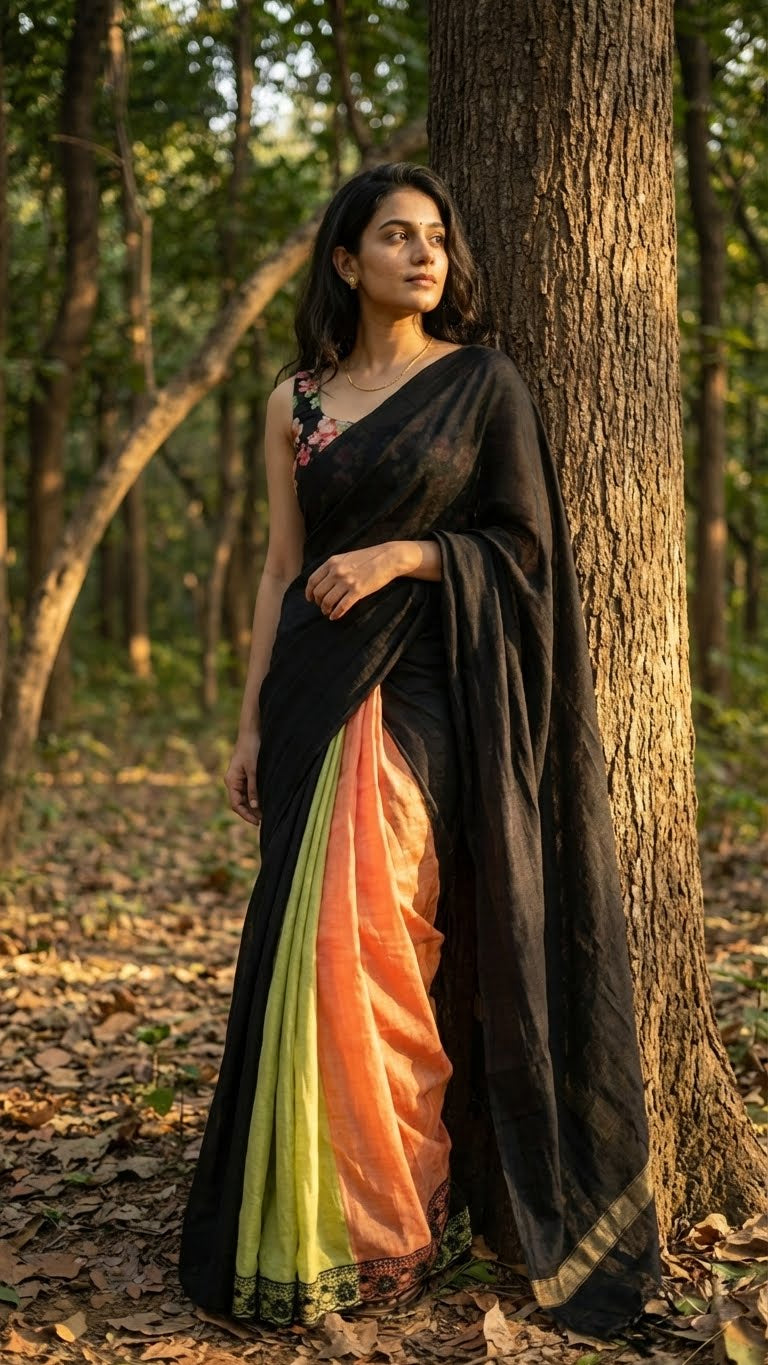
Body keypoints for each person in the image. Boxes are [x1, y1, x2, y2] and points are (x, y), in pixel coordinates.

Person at [178, 161, 662, 1339]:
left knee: (377, 940)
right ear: (345, 262)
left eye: (436, 236)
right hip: (309, 698)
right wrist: (248, 720)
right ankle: (304, 1217)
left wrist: (403, 556)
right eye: (395, 236)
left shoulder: (483, 383)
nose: (423, 254)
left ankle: (387, 1222)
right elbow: (280, 568)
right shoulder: (294, 401)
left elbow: (523, 548)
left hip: (432, 693)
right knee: (307, 951)